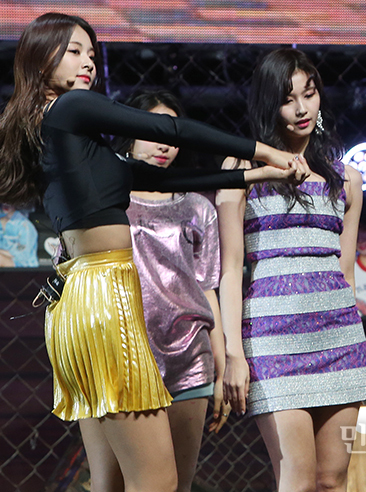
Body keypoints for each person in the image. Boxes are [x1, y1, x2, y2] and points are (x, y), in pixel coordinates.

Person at [0, 13, 309, 492]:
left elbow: (160, 179)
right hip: (103, 295)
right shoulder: (71, 108)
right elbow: (170, 130)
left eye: (90, 53)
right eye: (74, 51)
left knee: (109, 481)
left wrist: (254, 174)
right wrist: (265, 151)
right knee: (158, 480)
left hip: (79, 300)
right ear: (41, 61)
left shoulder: (57, 130)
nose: (88, 63)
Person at [216, 48, 366, 492]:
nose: (303, 108)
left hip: (338, 338)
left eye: (310, 94)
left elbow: (346, 271)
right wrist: (234, 354)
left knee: (332, 481)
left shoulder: (347, 179)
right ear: (269, 104)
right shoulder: (241, 171)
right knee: (298, 480)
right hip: (272, 339)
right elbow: (230, 270)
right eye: (288, 100)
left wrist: (352, 336)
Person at [113, 90, 232, 492]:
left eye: (173, 135)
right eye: (153, 131)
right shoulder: (107, 201)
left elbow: (207, 288)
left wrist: (221, 369)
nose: (164, 144)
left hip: (190, 358)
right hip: (124, 356)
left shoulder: (197, 206)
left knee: (179, 484)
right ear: (128, 132)